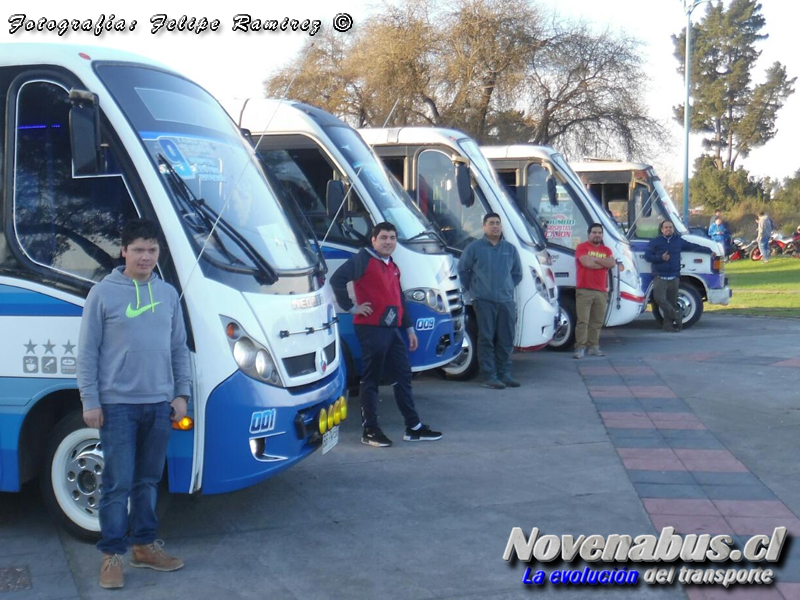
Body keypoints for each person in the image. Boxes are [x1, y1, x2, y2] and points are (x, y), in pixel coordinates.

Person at [78, 218, 189, 589]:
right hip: (117, 407)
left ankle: (143, 546)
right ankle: (112, 555)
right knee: (117, 483)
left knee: (147, 481)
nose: (145, 256)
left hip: (159, 405)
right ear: (124, 251)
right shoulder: (104, 293)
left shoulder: (169, 294)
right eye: (138, 249)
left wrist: (181, 394)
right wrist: (90, 400)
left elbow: (178, 350)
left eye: (152, 250)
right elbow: (87, 352)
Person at [330, 222, 442, 447]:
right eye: (383, 237)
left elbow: (399, 299)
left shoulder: (392, 265)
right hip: (371, 328)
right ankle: (369, 430)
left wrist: (409, 328)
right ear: (374, 240)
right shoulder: (363, 260)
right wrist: (352, 307)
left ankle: (414, 427)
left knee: (403, 377)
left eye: (392, 237)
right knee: (371, 380)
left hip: (392, 330)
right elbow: (337, 279)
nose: (388, 242)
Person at [458, 213, 523, 389]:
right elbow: (463, 271)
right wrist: (475, 291)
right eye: (491, 223)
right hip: (483, 301)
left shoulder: (510, 249)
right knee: (486, 338)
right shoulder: (474, 248)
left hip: (506, 301)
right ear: (484, 226)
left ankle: (505, 374)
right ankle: (488, 376)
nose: (495, 226)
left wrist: (507, 287)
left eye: (497, 223)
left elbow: (517, 274)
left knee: (506, 338)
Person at [644, 220, 714, 332]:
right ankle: (677, 316)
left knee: (671, 302)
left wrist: (709, 251)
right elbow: (647, 256)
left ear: (673, 229)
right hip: (660, 276)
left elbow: (693, 247)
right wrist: (661, 258)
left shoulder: (678, 241)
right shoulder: (655, 242)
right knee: (659, 299)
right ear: (661, 230)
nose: (668, 229)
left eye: (670, 227)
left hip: (674, 276)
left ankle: (668, 326)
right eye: (666, 227)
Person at [573, 223, 616, 359]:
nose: (597, 235)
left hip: (601, 291)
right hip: (584, 290)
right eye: (594, 232)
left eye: (599, 233)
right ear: (589, 234)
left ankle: (594, 347)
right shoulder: (582, 247)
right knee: (583, 321)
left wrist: (596, 259)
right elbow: (587, 263)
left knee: (597, 322)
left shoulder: (607, 250)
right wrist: (603, 262)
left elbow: (612, 264)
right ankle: (580, 348)